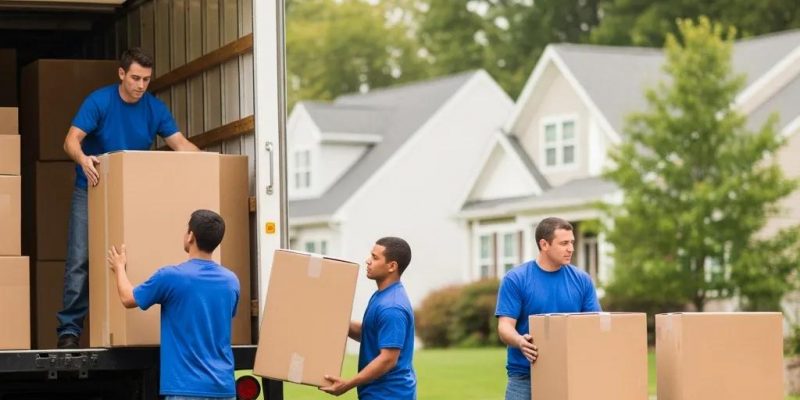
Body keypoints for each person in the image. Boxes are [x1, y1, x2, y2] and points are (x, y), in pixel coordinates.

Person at [57, 47, 199, 348]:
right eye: (135, 78)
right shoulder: (99, 101)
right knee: (80, 259)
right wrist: (82, 159)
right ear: (121, 74)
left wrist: (210, 166)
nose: (141, 86)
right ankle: (69, 331)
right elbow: (71, 141)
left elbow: (181, 144)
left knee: (133, 258)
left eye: (147, 79)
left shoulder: (154, 108)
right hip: (91, 188)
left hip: (133, 192)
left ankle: (131, 330)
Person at [106, 209, 239, 400]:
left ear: (191, 236)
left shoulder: (171, 277)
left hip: (186, 389)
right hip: (224, 389)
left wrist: (119, 268)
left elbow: (128, 298)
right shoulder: (231, 281)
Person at [495, 217, 601, 400]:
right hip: (525, 376)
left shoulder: (582, 280)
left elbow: (595, 324)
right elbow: (505, 327)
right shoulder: (516, 279)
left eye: (572, 242)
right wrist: (520, 341)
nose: (571, 249)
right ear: (544, 244)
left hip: (570, 373)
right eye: (564, 243)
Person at [320, 237, 417, 399]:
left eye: (375, 257)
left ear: (392, 266)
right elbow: (369, 333)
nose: (368, 261)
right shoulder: (382, 296)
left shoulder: (392, 307)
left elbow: (388, 359)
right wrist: (333, 320)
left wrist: (348, 384)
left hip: (389, 395)